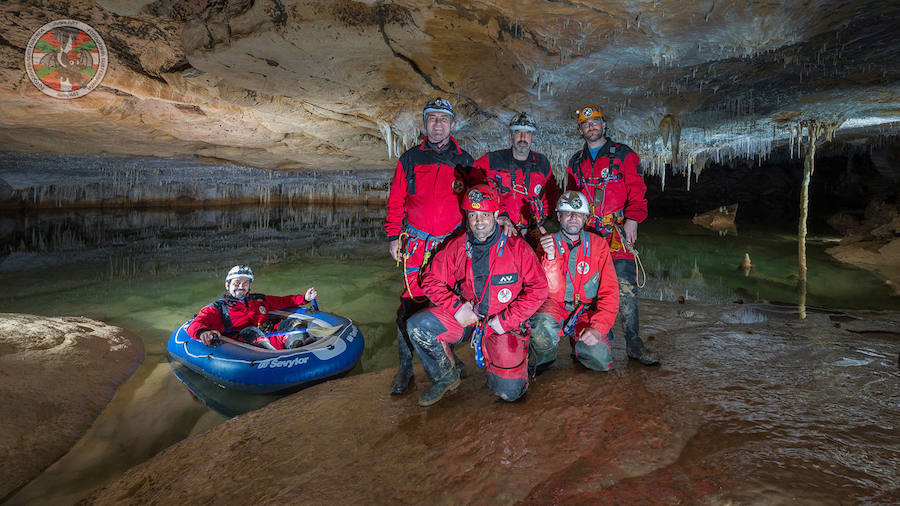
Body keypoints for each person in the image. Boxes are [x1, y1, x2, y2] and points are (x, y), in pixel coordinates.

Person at [406, 184, 548, 406]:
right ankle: (446, 376)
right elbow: (429, 280)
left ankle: (516, 356)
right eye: (473, 215)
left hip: (503, 323)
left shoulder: (516, 247)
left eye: (485, 215)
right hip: (470, 318)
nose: (479, 221)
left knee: (510, 393)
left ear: (496, 215)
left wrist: (505, 320)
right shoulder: (458, 246)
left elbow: (539, 288)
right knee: (418, 326)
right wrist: (456, 308)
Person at [384, 97, 476, 395]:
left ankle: (446, 357)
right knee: (410, 304)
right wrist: (393, 236)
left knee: (448, 300)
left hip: (452, 246)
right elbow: (396, 201)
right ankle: (405, 367)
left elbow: (475, 202)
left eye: (443, 119)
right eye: (433, 118)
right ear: (425, 123)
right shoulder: (410, 159)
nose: (438, 124)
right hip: (417, 244)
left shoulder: (465, 161)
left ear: (452, 124)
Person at [565, 104, 659, 365]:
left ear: (604, 124)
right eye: (586, 124)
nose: (591, 127)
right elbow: (571, 199)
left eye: (595, 122)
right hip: (587, 235)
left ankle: (634, 345)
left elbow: (637, 190)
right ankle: (587, 341)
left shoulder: (624, 155)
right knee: (586, 289)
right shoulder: (576, 162)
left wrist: (633, 220)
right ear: (580, 130)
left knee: (626, 289)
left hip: (617, 232)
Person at [530, 191, 619, 372]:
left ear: (585, 217)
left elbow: (610, 291)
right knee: (541, 327)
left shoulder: (599, 245)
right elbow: (547, 291)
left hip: (584, 310)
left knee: (601, 362)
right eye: (568, 212)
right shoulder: (547, 243)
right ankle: (545, 360)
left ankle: (579, 347)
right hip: (555, 306)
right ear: (559, 216)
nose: (573, 217)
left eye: (578, 213)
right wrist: (550, 256)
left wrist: (598, 327)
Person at [187, 265, 318, 350]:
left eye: (245, 283)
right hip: (244, 345)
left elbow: (284, 301)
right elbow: (195, 325)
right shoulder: (218, 307)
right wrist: (203, 333)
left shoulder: (259, 300)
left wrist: (305, 298)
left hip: (270, 336)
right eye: (236, 283)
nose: (241, 286)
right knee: (252, 331)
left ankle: (297, 347)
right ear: (227, 285)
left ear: (249, 285)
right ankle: (276, 357)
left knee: (293, 323)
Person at [472, 112, 558, 240]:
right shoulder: (493, 160)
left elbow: (550, 194)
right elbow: (474, 182)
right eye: (518, 132)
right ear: (511, 136)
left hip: (532, 230)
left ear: (532, 137)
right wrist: (498, 213)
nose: (523, 137)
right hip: (501, 228)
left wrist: (545, 218)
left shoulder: (542, 163)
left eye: (527, 133)